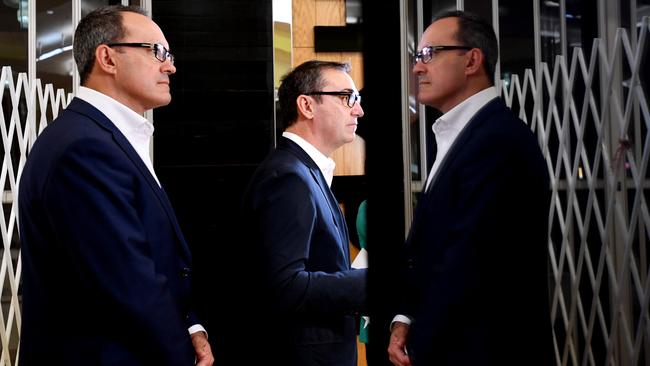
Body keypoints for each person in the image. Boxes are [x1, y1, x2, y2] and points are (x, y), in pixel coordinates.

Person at [18, 5, 213, 366]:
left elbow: (155, 257)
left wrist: (190, 325)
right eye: (157, 52)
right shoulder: (83, 148)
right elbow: (127, 284)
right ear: (107, 58)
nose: (169, 66)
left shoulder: (106, 137)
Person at [387, 10, 552, 366]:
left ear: (472, 60)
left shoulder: (498, 140)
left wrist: (421, 344)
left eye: (429, 54)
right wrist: (405, 317)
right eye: (417, 57)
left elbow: (471, 260)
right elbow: (434, 244)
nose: (417, 68)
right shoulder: (457, 133)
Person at [237, 60, 367, 366]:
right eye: (347, 98)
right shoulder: (289, 177)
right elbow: (285, 286)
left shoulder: (304, 171)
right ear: (307, 105)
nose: (358, 110)